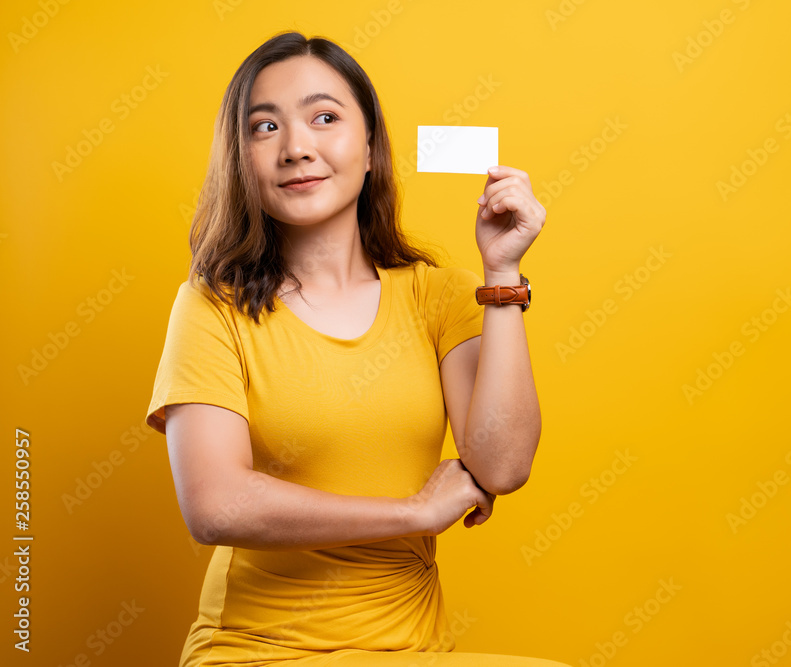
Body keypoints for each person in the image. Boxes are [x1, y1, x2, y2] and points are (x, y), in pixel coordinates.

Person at [144, 30, 568, 667]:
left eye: (324, 118)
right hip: (259, 651)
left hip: (414, 651)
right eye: (264, 127)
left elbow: (500, 467)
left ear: (370, 147)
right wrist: (413, 513)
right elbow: (216, 504)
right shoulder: (212, 306)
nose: (296, 148)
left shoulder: (442, 296)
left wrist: (502, 274)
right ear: (242, 159)